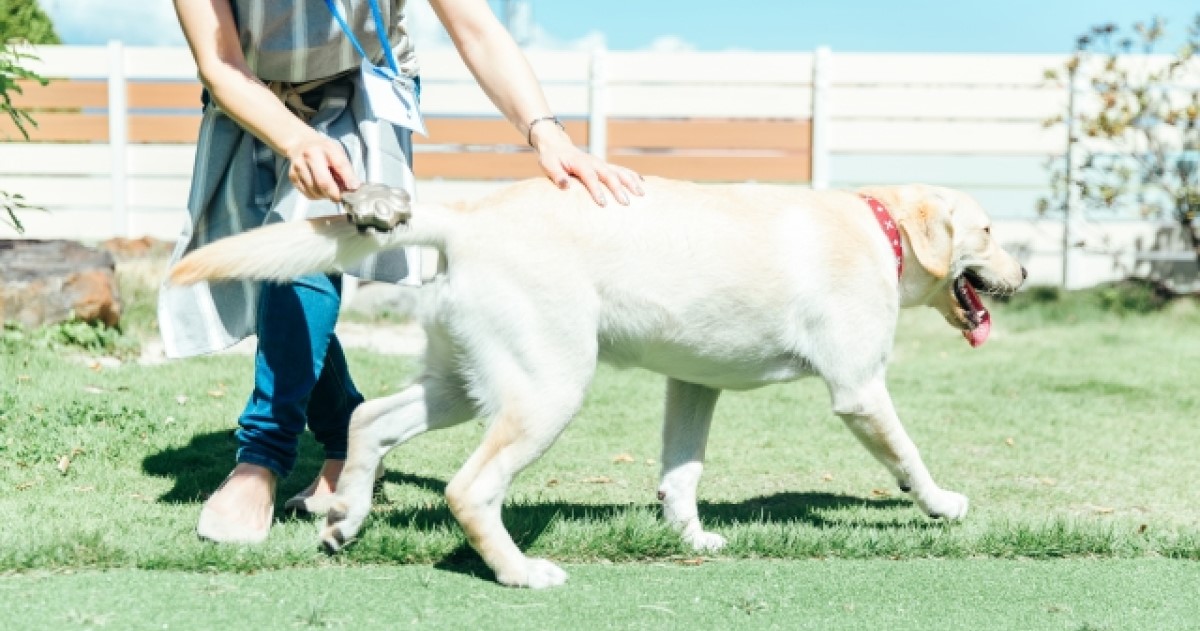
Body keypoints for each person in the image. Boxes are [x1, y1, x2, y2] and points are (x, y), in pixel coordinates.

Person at [160, 0, 644, 544]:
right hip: (247, 97)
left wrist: (548, 134)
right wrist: (296, 138)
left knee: (301, 259)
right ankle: (345, 429)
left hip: (359, 91)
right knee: (267, 276)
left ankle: (260, 462)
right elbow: (221, 64)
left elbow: (476, 30)